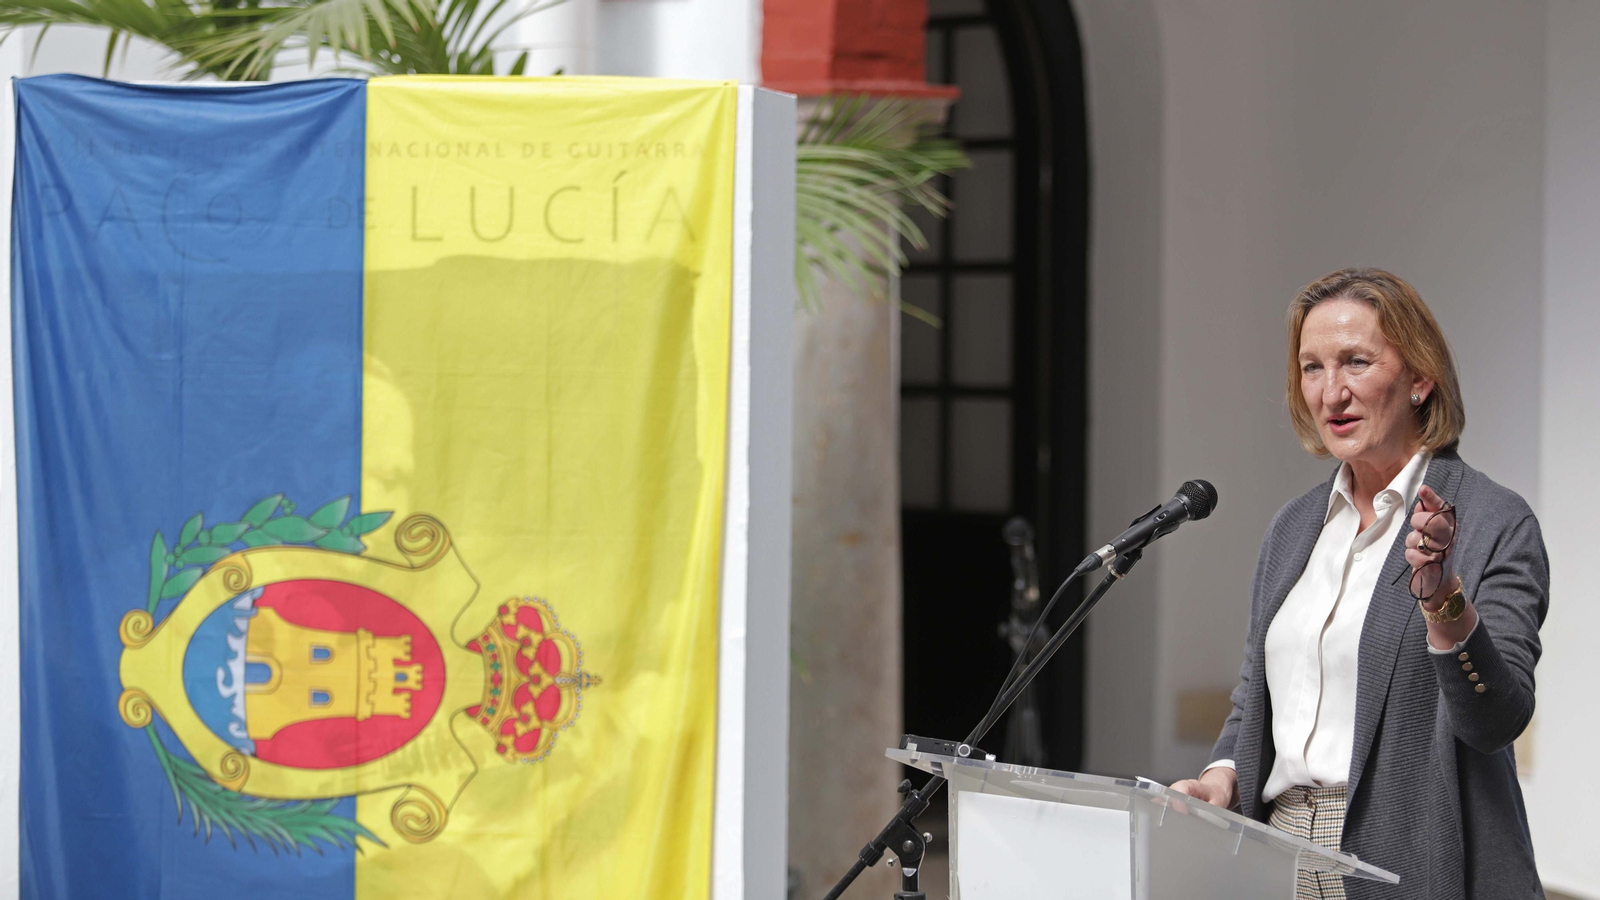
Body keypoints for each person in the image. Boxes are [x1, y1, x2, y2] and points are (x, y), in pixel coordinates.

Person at [1170, 268, 1546, 900]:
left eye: (1355, 362)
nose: (1331, 392)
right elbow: (1257, 697)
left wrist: (1443, 601)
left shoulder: (1494, 521)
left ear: (1420, 378)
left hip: (1416, 858)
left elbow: (1497, 719)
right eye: (1312, 368)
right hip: (1279, 852)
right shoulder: (1294, 527)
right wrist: (1221, 776)